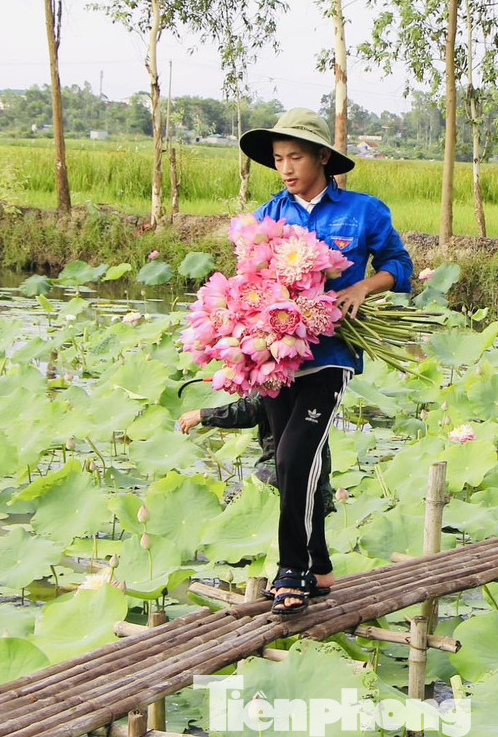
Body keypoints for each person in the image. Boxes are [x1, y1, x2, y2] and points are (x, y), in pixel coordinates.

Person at [238, 107, 412, 615]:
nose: (285, 168)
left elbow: (399, 265)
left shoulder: (364, 211)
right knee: (287, 459)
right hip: (278, 359)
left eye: (295, 157)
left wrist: (363, 286)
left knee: (295, 458)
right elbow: (251, 281)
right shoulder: (268, 216)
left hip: (331, 355)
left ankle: (292, 569)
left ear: (322, 158)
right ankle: (320, 564)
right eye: (278, 159)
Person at [176, 395, 336, 514]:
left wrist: (203, 415)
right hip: (314, 464)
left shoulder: (279, 368)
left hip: (284, 463)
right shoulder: (313, 371)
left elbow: (252, 409)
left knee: (233, 505)